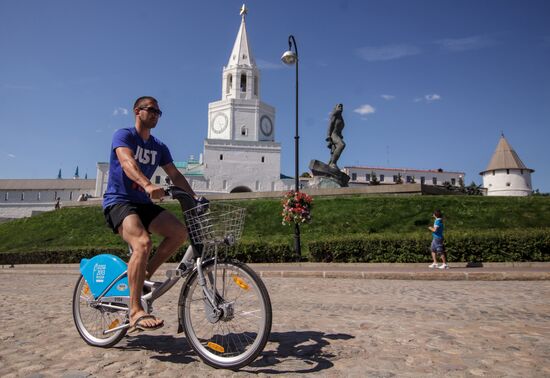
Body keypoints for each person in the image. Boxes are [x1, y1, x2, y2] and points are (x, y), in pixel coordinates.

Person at [102, 96, 197, 332]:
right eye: (151, 110)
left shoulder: (159, 147)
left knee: (178, 233)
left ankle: (143, 275)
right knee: (142, 243)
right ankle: (135, 311)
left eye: (158, 112)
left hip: (143, 204)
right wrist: (147, 185)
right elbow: (127, 162)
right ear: (137, 111)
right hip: (119, 201)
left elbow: (175, 175)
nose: (155, 114)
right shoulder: (124, 136)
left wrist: (193, 198)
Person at [326, 103, 346, 169]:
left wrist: (341, 134)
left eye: (341, 106)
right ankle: (333, 163)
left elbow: (339, 127)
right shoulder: (335, 114)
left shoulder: (341, 117)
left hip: (338, 135)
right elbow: (330, 124)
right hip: (333, 134)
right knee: (341, 145)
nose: (341, 107)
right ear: (336, 107)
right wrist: (328, 135)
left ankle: (330, 164)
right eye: (339, 106)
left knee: (333, 153)